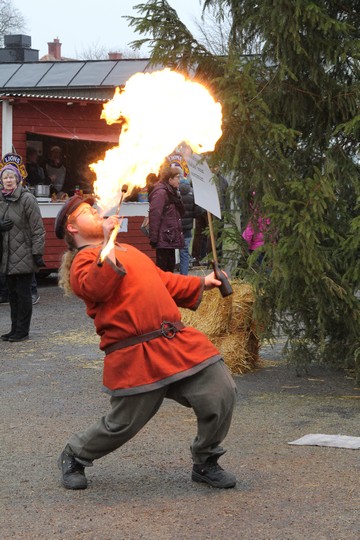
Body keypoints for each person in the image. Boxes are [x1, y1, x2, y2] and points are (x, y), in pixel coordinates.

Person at [55, 195, 237, 491]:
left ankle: (205, 461)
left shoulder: (127, 250)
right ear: (73, 229)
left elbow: (161, 281)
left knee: (220, 389)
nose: (97, 212)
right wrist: (107, 241)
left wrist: (201, 282)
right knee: (122, 424)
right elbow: (99, 285)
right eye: (87, 212)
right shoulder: (82, 263)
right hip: (135, 354)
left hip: (175, 341)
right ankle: (74, 454)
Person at [0, 164, 45, 341]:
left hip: (24, 252)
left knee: (23, 293)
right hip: (6, 254)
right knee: (12, 294)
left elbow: (38, 228)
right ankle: (14, 329)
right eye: (5, 177)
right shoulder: (1, 199)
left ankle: (22, 331)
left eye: (12, 177)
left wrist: (37, 252)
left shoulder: (27, 199)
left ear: (18, 179)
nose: (8, 180)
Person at [148, 166, 185, 272]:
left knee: (170, 269)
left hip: (170, 238)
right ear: (170, 180)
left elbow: (182, 212)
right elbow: (155, 215)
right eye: (177, 177)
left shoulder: (172, 192)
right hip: (164, 238)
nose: (179, 180)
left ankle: (169, 289)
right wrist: (154, 238)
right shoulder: (161, 193)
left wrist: (178, 199)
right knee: (163, 270)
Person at [178, 177, 202, 275]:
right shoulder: (193, 192)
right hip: (187, 228)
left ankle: (170, 277)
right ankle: (184, 276)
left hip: (175, 227)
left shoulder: (175, 192)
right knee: (184, 252)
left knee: (171, 251)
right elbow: (198, 212)